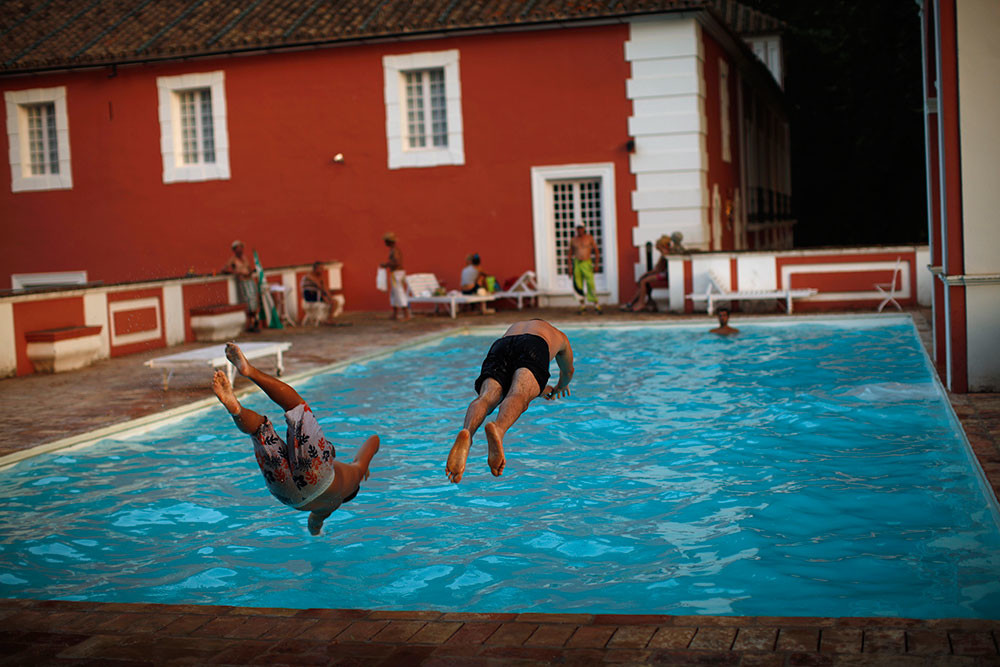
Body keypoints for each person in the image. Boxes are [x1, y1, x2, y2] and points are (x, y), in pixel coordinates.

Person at [211, 343, 380, 536]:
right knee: (258, 431)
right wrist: (318, 534)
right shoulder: (326, 509)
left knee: (297, 408)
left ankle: (249, 371)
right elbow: (313, 526)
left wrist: (364, 466)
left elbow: (374, 440)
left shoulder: (355, 475)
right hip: (288, 496)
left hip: (319, 477)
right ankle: (236, 410)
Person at [446, 319, 574, 484]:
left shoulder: (517, 327)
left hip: (502, 345)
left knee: (486, 397)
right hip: (534, 345)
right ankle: (498, 429)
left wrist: (541, 389)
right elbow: (568, 371)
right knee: (519, 395)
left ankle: (467, 433)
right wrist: (560, 387)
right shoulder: (559, 336)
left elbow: (512, 377)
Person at [620, 234, 673, 313]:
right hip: (664, 273)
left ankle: (640, 303)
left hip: (665, 275)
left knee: (643, 281)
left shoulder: (665, 254)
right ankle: (632, 302)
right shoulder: (666, 253)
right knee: (643, 280)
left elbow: (658, 269)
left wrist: (645, 274)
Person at [222, 240, 262, 332]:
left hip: (250, 280)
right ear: (234, 250)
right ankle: (250, 324)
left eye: (241, 248)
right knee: (248, 303)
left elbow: (249, 268)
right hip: (243, 282)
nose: (240, 250)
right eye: (238, 248)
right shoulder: (233, 260)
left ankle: (254, 322)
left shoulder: (244, 258)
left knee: (254, 302)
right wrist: (236, 272)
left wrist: (249, 272)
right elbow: (224, 269)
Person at [569, 225, 601, 314]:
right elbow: (570, 254)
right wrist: (570, 268)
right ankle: (582, 306)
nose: (580, 230)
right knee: (578, 285)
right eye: (578, 228)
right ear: (576, 229)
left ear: (584, 229)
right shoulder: (574, 240)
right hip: (577, 263)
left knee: (591, 283)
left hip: (587, 263)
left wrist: (596, 264)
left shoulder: (589, 238)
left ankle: (596, 305)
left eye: (581, 228)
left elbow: (596, 251)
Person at [380, 232, 411, 321]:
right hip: (396, 273)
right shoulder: (393, 250)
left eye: (386, 241)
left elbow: (397, 262)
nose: (385, 243)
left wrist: (386, 265)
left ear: (389, 241)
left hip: (397, 274)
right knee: (394, 293)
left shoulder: (395, 251)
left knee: (399, 292)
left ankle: (406, 314)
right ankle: (395, 314)